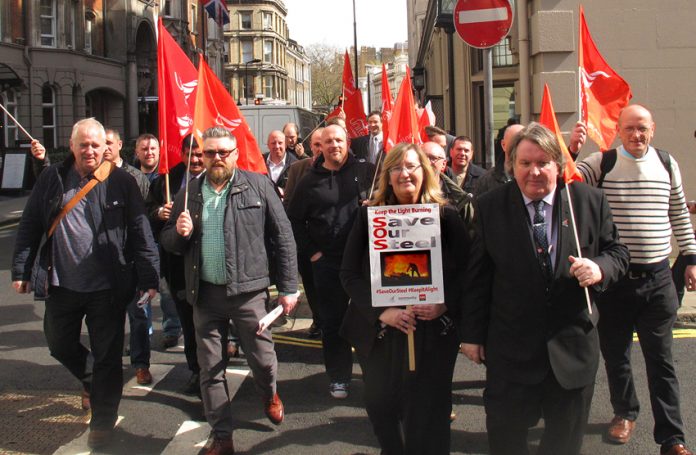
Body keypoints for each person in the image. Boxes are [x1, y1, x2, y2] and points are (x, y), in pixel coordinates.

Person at [460, 123, 629, 455]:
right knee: (506, 440)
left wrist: (599, 268)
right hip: (511, 351)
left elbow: (618, 254)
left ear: (558, 165)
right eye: (525, 163)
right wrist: (472, 334)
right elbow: (478, 277)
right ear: (512, 165)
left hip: (572, 349)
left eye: (543, 163)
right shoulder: (491, 206)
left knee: (563, 444)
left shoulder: (589, 201)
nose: (534, 172)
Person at [12, 118, 160, 449]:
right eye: (84, 144)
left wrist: (149, 276)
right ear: (73, 144)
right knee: (58, 343)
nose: (91, 150)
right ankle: (97, 380)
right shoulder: (52, 178)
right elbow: (31, 224)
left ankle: (103, 421)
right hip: (62, 285)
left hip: (107, 288)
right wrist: (21, 270)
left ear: (106, 147)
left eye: (96, 144)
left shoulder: (121, 180)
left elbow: (140, 230)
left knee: (108, 355)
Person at [160, 126, 298, 455]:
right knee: (210, 368)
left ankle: (269, 393)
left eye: (223, 152)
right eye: (210, 153)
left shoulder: (258, 185)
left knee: (263, 361)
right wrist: (179, 233)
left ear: (235, 154)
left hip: (249, 294)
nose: (217, 158)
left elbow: (284, 237)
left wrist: (289, 287)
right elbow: (167, 240)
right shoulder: (189, 191)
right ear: (201, 156)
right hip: (205, 296)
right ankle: (222, 435)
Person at [575, 105, 696, 455]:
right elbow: (567, 180)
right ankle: (624, 413)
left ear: (652, 129)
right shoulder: (602, 163)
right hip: (616, 280)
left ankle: (672, 437)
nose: (636, 135)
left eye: (642, 128)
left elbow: (677, 212)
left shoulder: (667, 163)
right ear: (618, 130)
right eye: (629, 128)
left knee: (662, 360)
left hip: (659, 278)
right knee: (617, 354)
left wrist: (689, 257)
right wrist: (573, 147)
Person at [340, 142, 470, 454]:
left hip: (431, 332)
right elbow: (349, 274)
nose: (404, 173)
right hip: (381, 331)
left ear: (425, 172)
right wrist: (382, 311)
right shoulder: (368, 215)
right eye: (396, 167)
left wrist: (444, 303)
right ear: (387, 175)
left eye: (411, 166)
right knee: (381, 406)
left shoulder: (447, 217)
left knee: (430, 411)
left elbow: (468, 273)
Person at [287, 124, 375, 399]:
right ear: (320, 147)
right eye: (328, 142)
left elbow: (391, 202)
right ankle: (339, 377)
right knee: (332, 322)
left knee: (369, 320)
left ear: (347, 142)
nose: (334, 145)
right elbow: (294, 220)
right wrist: (313, 252)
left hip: (364, 262)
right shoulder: (309, 181)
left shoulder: (368, 172)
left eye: (339, 140)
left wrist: (377, 204)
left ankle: (374, 374)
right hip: (328, 263)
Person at [146, 136, 206, 395]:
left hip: (208, 267)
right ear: (181, 154)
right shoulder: (166, 180)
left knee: (210, 324)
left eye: (199, 154)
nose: (194, 159)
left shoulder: (218, 179)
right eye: (189, 154)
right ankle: (196, 370)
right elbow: (147, 213)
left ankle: (215, 369)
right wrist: (159, 213)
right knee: (188, 323)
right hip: (178, 267)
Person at [103, 128, 154, 385]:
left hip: (132, 261)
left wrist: (149, 268)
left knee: (138, 316)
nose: (105, 148)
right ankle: (102, 372)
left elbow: (145, 222)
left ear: (120, 145)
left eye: (109, 143)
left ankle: (141, 364)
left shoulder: (135, 177)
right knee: (107, 321)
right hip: (105, 263)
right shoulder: (93, 178)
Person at [283, 127, 324, 339]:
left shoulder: (340, 169)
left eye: (323, 144)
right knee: (311, 282)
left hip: (332, 243)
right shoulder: (298, 168)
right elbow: (289, 204)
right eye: (316, 144)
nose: (320, 149)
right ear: (310, 146)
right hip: (307, 241)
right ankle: (318, 320)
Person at [422, 141, 474, 230]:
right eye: (421, 157)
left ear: (443, 164)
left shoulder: (460, 199)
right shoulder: (402, 193)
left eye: (432, 158)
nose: (426, 162)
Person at [475, 123, 524, 196]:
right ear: (503, 145)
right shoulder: (486, 181)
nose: (520, 147)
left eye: (523, 143)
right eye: (515, 143)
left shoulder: (536, 178)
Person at [264, 130, 297, 195]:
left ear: (286, 145)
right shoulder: (260, 162)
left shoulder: (295, 164)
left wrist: (284, 192)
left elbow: (299, 190)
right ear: (268, 145)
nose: (277, 146)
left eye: (280, 143)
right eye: (273, 143)